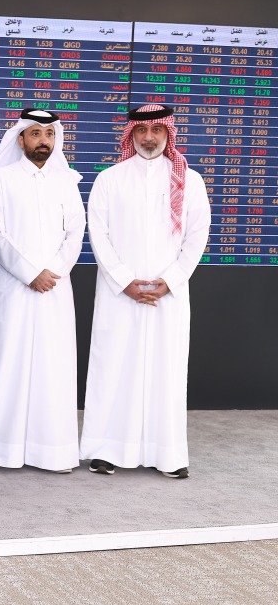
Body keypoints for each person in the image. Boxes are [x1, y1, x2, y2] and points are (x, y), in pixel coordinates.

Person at [80, 104, 210, 479]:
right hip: (120, 293)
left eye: (157, 129)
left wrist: (169, 280)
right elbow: (98, 235)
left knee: (165, 372)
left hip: (169, 294)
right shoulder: (110, 178)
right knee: (115, 368)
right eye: (142, 130)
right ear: (131, 134)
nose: (149, 137)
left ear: (168, 133)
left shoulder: (191, 181)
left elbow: (196, 237)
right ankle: (107, 450)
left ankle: (167, 454)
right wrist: (126, 281)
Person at [0, 109, 86, 474]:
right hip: (12, 287)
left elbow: (75, 232)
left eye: (49, 134)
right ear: (21, 139)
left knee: (53, 366)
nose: (43, 141)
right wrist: (30, 272)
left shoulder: (67, 181)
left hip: (55, 288)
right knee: (6, 363)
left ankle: (52, 451)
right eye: (35, 134)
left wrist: (53, 272)